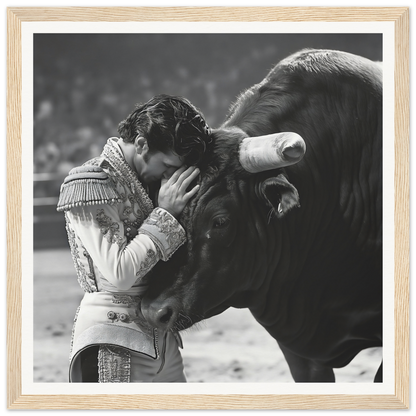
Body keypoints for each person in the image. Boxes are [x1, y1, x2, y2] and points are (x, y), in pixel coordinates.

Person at [57, 94, 211, 382]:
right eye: (167, 165)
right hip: (113, 339)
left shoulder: (148, 182)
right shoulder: (93, 182)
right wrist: (165, 213)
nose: (170, 175)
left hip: (163, 340)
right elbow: (120, 274)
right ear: (141, 143)